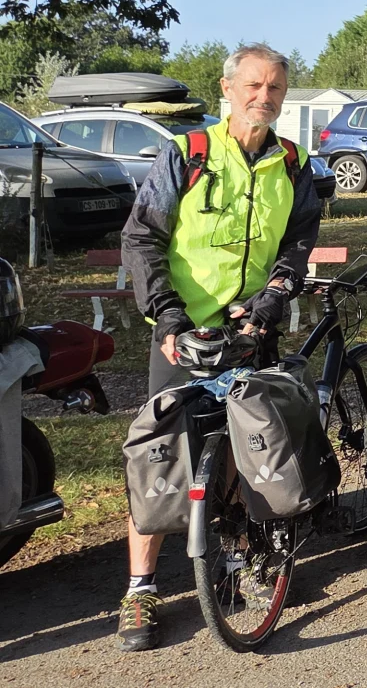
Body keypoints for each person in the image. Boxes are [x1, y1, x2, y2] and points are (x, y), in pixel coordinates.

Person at [116, 44, 322, 651]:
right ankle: (139, 589)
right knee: (160, 454)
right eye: (254, 86)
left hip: (250, 329)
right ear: (228, 89)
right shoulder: (189, 154)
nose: (265, 97)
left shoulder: (292, 161)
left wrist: (273, 299)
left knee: (246, 445)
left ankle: (238, 560)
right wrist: (168, 316)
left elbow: (298, 239)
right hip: (181, 332)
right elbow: (142, 237)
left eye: (277, 89)